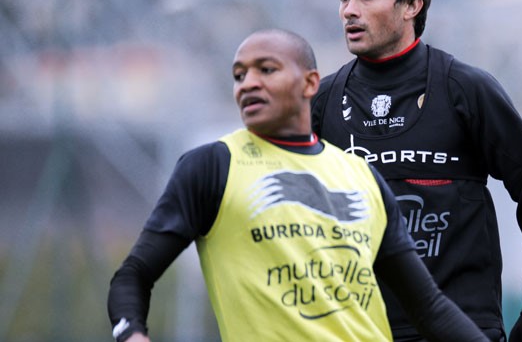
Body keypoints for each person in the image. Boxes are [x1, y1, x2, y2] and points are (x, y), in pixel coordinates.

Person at [107, 28, 491, 342]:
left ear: (309, 83)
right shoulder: (212, 166)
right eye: (239, 75)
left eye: (266, 70)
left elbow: (429, 307)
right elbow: (133, 275)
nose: (248, 83)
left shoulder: (361, 175)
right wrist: (131, 334)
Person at [311, 0, 522, 342]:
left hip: (462, 328)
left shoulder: (465, 89)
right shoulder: (323, 101)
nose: (349, 10)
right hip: (355, 331)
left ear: (411, 5)